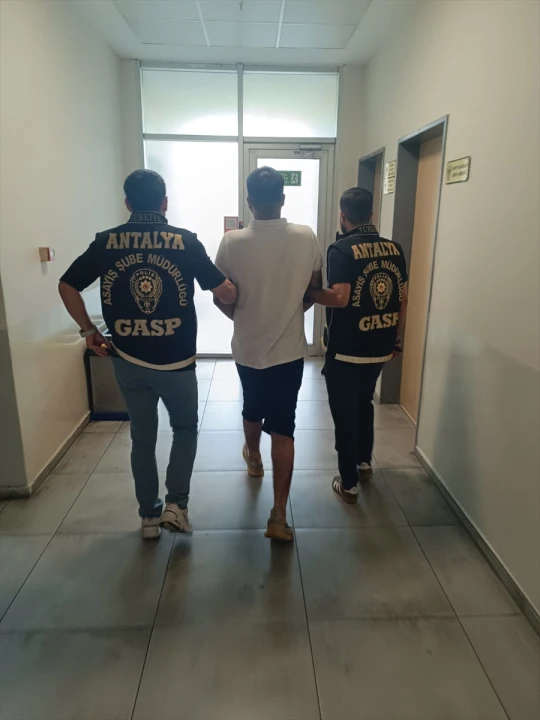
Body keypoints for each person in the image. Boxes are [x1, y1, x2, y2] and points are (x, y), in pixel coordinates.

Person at [58, 169, 237, 539]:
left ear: (127, 203)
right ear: (164, 203)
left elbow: (67, 285)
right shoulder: (185, 242)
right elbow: (225, 292)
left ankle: (148, 518)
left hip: (128, 359)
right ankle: (177, 506)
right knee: (184, 429)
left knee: (143, 438)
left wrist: (89, 332)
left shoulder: (106, 242)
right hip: (177, 362)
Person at [214, 167, 323, 541]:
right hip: (289, 351)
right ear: (282, 199)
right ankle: (278, 514)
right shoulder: (305, 236)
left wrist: (244, 317)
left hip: (247, 348)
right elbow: (313, 290)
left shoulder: (232, 242)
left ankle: (255, 459)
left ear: (249, 201)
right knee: (284, 426)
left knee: (251, 407)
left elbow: (220, 296)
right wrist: (290, 311)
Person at [307, 187, 408, 503]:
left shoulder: (341, 249)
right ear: (371, 214)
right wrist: (396, 336)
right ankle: (364, 462)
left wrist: (308, 292)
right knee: (364, 402)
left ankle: (348, 482)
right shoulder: (394, 249)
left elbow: (340, 297)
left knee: (344, 412)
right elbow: (403, 298)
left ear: (342, 215)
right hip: (380, 344)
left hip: (348, 349)